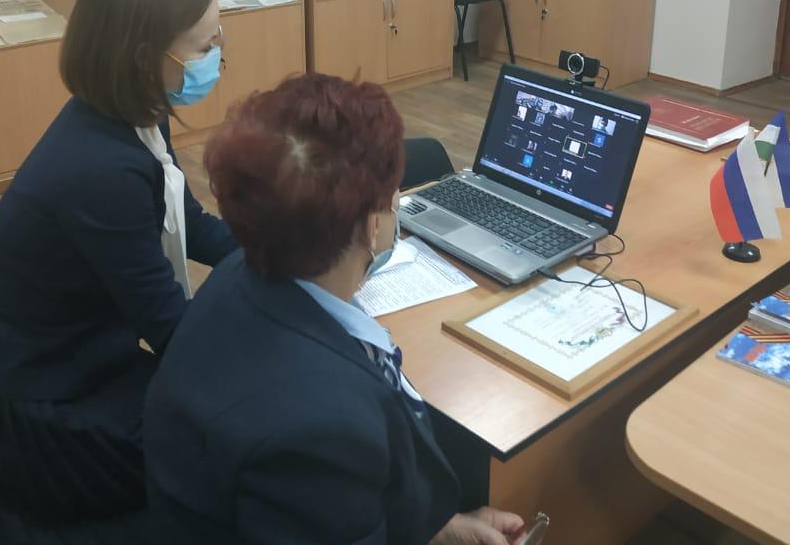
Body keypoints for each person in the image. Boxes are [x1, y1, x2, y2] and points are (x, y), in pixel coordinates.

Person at [0, 0, 236, 542]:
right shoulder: (100, 171)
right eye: (203, 46)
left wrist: (281, 250)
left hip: (82, 364)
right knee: (230, 449)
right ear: (145, 58)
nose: (216, 57)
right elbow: (172, 329)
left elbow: (188, 220)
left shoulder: (134, 114)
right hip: (35, 414)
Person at [145, 74, 528, 545]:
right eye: (395, 194)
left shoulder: (237, 275)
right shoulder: (322, 425)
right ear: (371, 226)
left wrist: (438, 529)